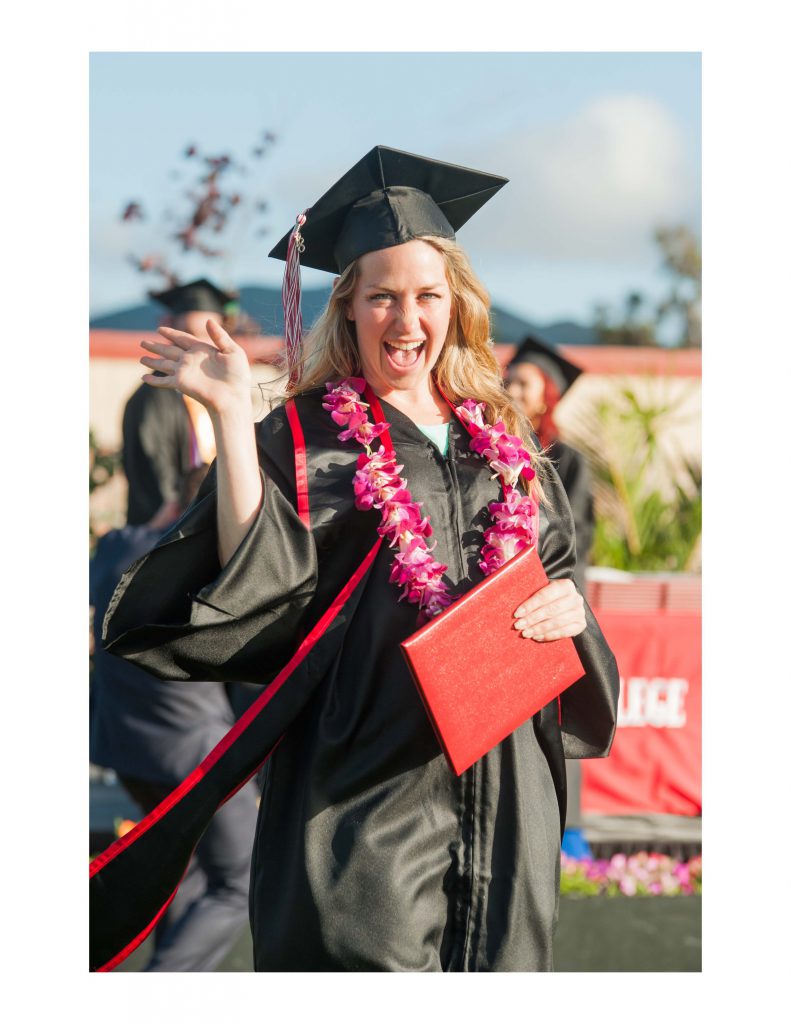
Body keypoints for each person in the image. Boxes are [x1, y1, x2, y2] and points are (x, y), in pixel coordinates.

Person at [92, 145, 619, 973]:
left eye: (425, 296)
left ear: (457, 306)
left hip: (507, 791)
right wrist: (235, 421)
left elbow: (558, 585)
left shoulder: (507, 445)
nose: (405, 322)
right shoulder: (302, 439)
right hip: (361, 798)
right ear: (347, 308)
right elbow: (255, 587)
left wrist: (571, 613)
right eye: (382, 297)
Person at [90, 467, 258, 972]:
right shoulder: (210, 568)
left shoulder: (116, 546)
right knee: (241, 879)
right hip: (191, 756)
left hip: (125, 751)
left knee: (184, 871)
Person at [121, 277, 232, 526]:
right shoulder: (152, 397)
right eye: (191, 334)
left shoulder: (224, 391)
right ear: (170, 328)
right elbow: (157, 485)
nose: (202, 346)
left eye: (211, 334)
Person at [506, 335, 594, 596]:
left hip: (546, 588)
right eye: (508, 381)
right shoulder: (490, 450)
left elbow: (575, 538)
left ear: (546, 396)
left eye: (523, 384)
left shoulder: (567, 461)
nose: (511, 392)